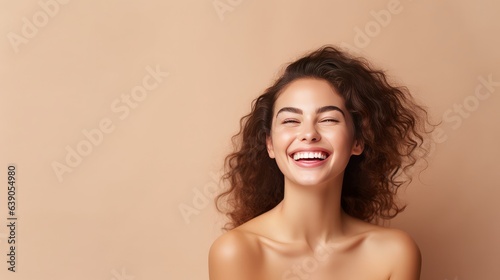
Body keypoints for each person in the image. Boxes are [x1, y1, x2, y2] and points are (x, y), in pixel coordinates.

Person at [209, 45, 429, 280]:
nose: (308, 134)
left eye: (328, 119)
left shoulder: (395, 253)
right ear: (270, 144)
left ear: (358, 141)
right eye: (291, 120)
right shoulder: (236, 252)